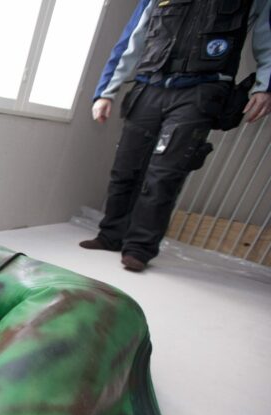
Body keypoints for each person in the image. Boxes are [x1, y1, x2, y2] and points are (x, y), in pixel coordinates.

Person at [82, 0, 271, 271]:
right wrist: (105, 92)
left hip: (200, 90)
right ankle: (111, 235)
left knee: (164, 174)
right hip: (149, 85)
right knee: (125, 168)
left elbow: (268, 37)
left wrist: (265, 87)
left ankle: (139, 249)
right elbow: (132, 38)